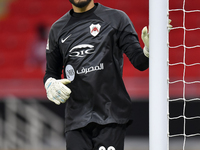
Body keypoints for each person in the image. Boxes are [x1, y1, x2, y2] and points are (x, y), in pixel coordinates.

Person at [44, 0, 150, 150]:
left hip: (110, 116)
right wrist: (50, 84)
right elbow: (51, 72)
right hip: (76, 120)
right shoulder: (57, 29)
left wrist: (149, 51)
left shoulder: (117, 19)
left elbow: (140, 63)